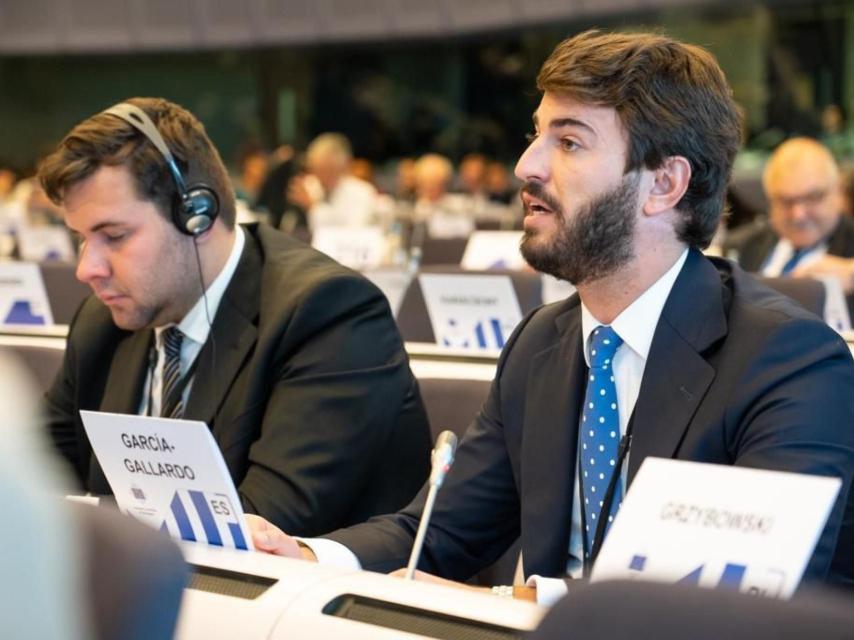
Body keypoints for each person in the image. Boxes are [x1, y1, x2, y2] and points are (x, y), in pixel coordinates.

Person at [249, 31, 854, 602]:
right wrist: (308, 557)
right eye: (537, 135)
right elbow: (439, 532)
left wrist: (514, 602)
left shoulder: (788, 361)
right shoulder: (543, 342)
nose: (526, 166)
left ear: (664, 183)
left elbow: (736, 600)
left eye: (568, 142)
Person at [37, 97, 432, 536]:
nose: (87, 268)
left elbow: (250, 533)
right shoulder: (102, 321)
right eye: (81, 239)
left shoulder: (329, 315)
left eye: (113, 236)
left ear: (196, 216)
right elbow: (31, 477)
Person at [724, 137, 854, 295]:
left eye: (812, 197)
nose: (798, 215)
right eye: (786, 202)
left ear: (838, 192)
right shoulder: (743, 245)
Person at [287, 132, 377, 232]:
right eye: (316, 170)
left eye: (327, 170)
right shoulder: (310, 186)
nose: (320, 176)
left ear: (343, 167)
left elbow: (353, 231)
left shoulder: (362, 192)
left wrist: (312, 208)